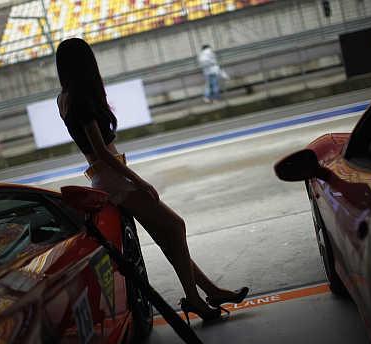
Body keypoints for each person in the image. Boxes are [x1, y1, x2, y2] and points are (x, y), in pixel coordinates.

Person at [55, 38, 248, 323]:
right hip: (114, 179)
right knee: (175, 226)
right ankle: (193, 299)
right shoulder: (82, 100)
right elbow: (103, 154)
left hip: (105, 178)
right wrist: (140, 181)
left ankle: (212, 291)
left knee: (167, 240)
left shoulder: (65, 99)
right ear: (86, 64)